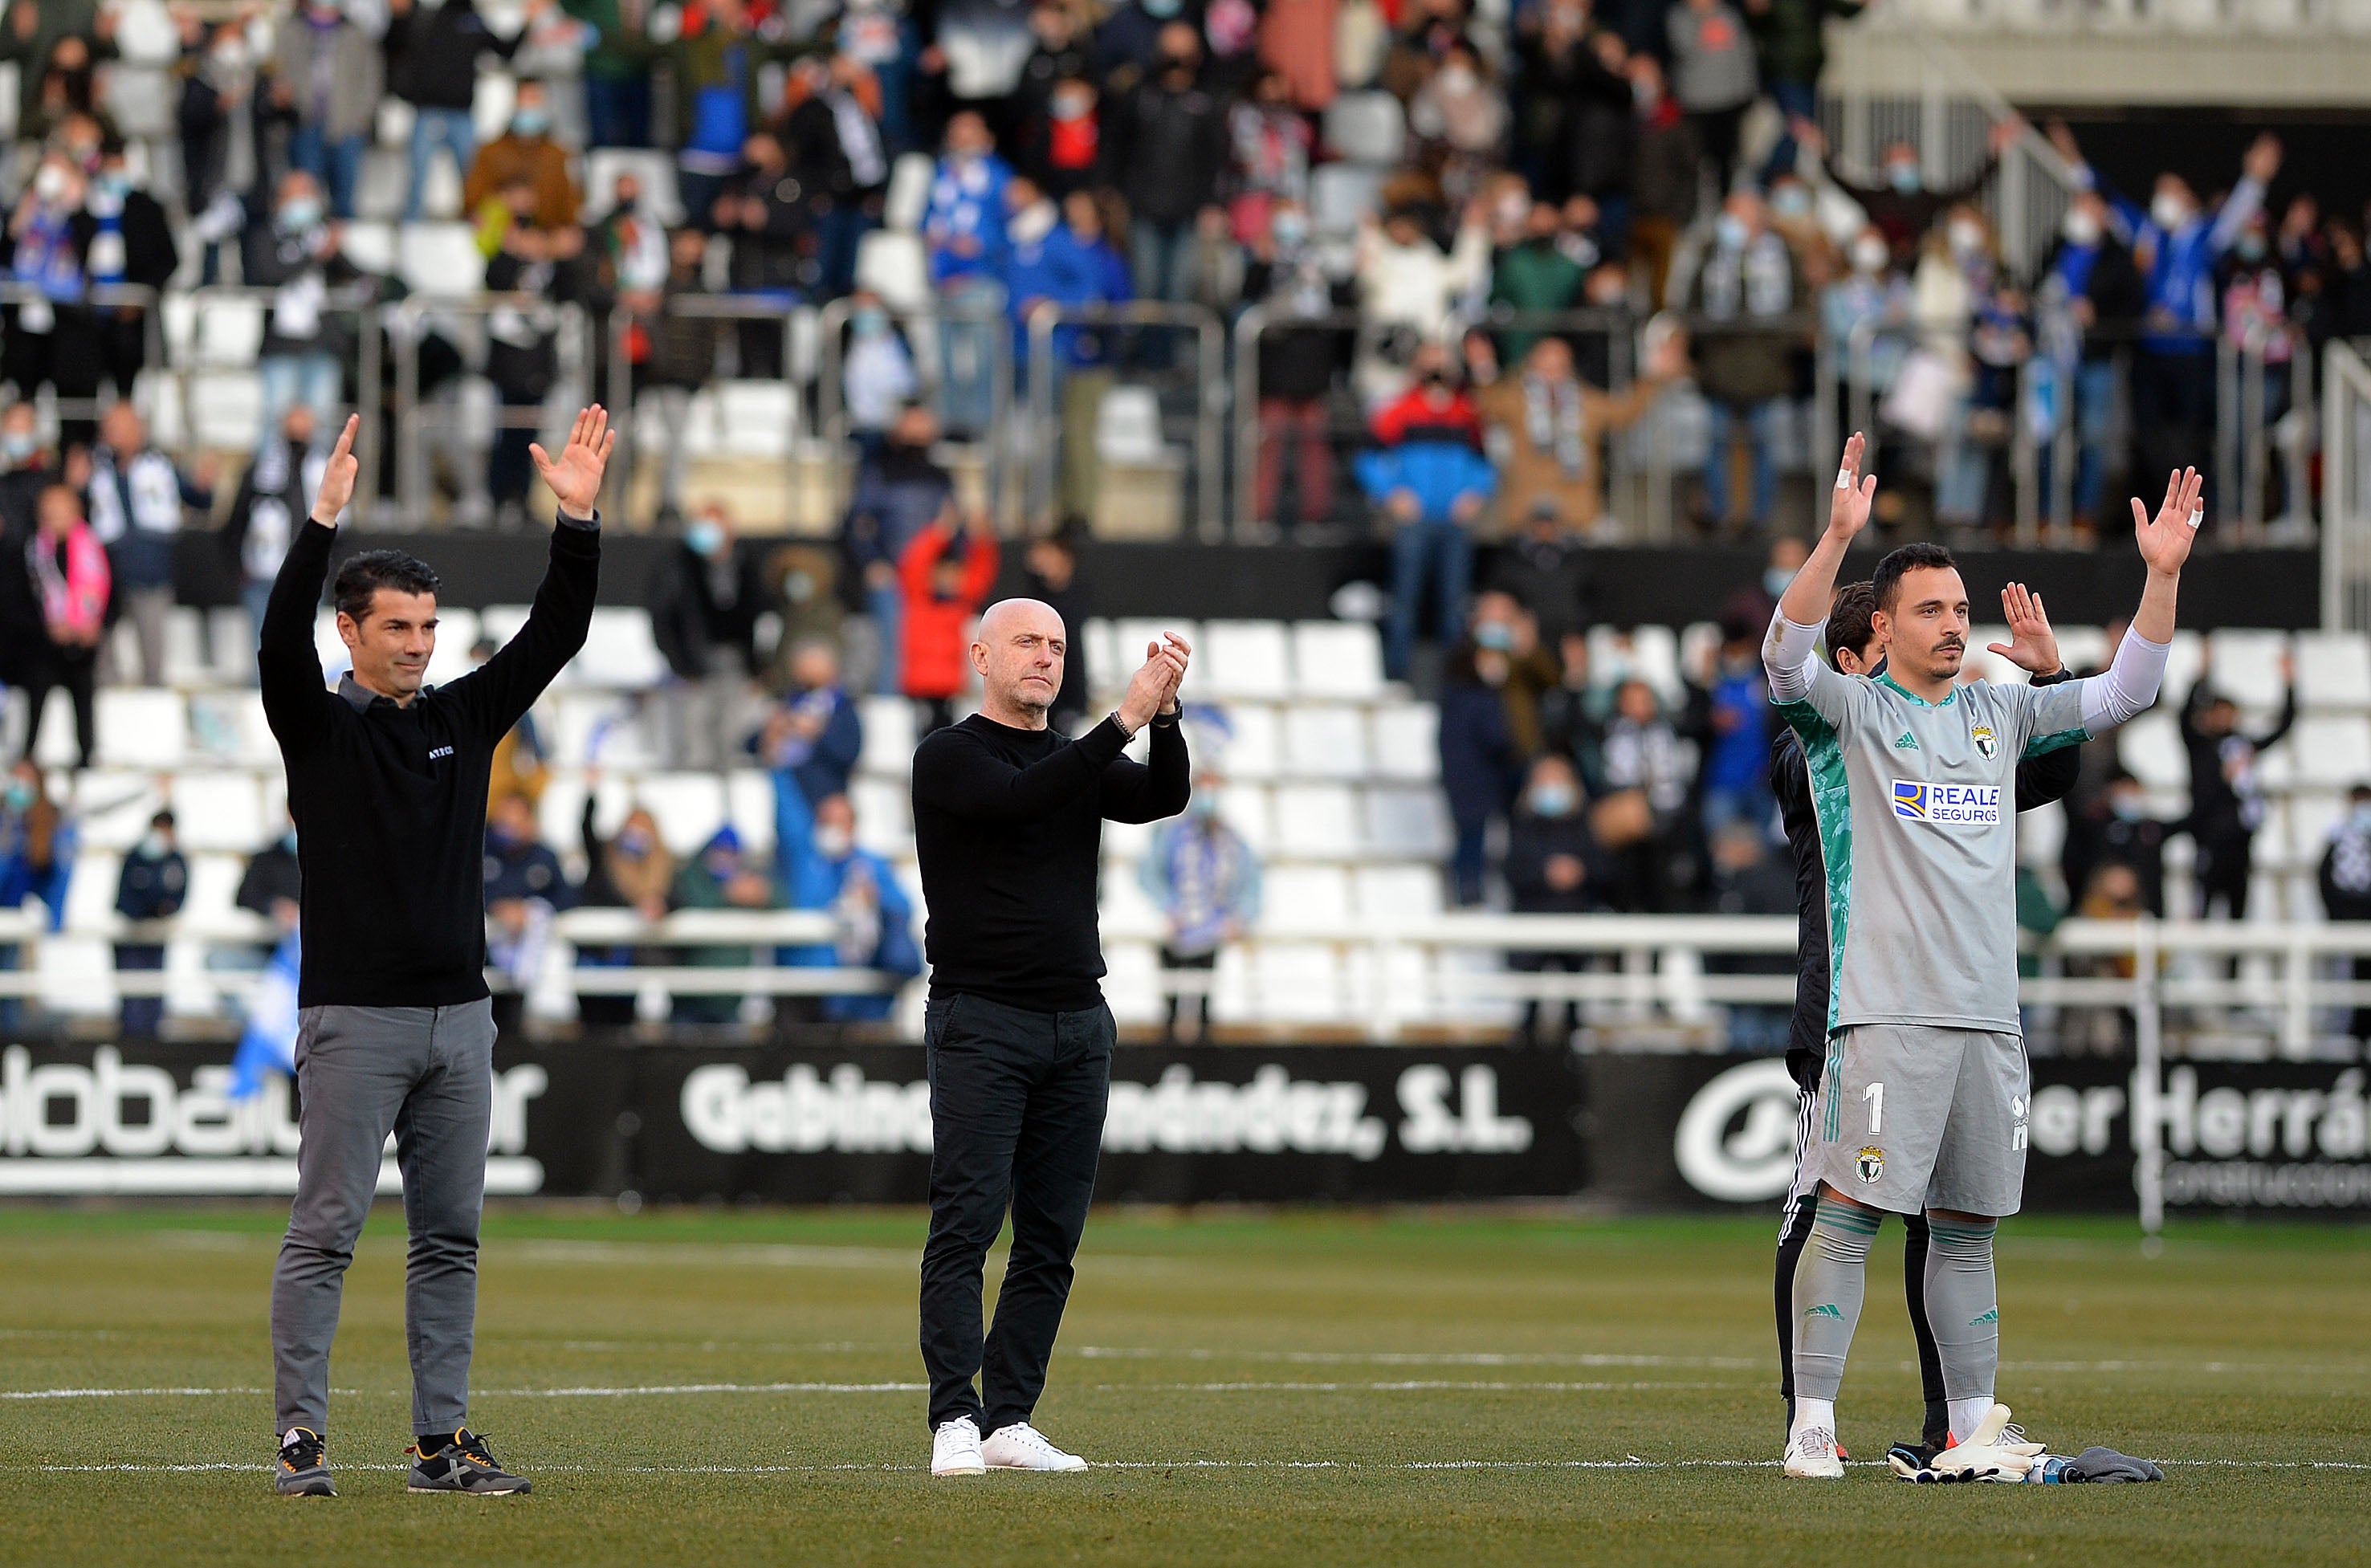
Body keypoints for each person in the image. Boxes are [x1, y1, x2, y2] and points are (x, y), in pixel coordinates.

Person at [1763, 432, 2196, 1481]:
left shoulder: (2002, 713)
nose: (1954, 624)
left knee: (1965, 1234)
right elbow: (1782, 657)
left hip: (1987, 1021)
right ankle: (1810, 1425)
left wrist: (2160, 577)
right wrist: (1833, 539)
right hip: (1881, 1015)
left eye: (1960, 610)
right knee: (1849, 1215)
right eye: (1931, 610)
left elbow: (2125, 692)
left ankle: (1967, 1429)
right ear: (1883, 625)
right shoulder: (1850, 718)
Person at [259, 405, 610, 1499]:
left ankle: (439, 1445)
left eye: (427, 625)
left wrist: (581, 524)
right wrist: (320, 521)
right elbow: (273, 640)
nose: (417, 642)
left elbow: (556, 633)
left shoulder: (464, 714)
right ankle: (301, 1440)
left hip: (461, 1018)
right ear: (350, 635)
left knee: (449, 1239)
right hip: (354, 1019)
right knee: (326, 1232)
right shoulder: (319, 727)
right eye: (397, 627)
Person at [1767, 571, 2080, 1473]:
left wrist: (2050, 687)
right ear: (1851, 661)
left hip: (1954, 1005)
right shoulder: (1826, 742)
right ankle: (1808, 1410)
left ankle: (1955, 1416)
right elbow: (1821, 735)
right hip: (1851, 1005)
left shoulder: (1947, 735)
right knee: (1831, 1208)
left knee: (1946, 1220)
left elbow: (2042, 774)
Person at [911, 605, 1189, 1477]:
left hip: (1078, 1020)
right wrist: (1123, 721)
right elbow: (1018, 797)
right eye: (1028, 643)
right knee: (965, 1225)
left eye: (1059, 646)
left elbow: (1161, 796)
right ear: (981, 655)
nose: (1045, 657)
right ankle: (954, 1416)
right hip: (981, 1018)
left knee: (1050, 1238)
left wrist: (1167, 720)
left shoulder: (1075, 755)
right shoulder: (949, 754)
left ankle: (1009, 1420)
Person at [1358, 345, 1497, 682]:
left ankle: (1453, 682)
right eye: (1429, 362)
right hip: (1415, 523)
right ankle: (1397, 677)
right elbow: (1367, 457)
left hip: (1453, 521)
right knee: (1405, 600)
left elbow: (1486, 461)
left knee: (1454, 605)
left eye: (1442, 362)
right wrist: (1392, 494)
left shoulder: (1468, 412)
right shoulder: (1401, 409)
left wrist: (1476, 493)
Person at [86, 401, 214, 688]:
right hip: (105, 570)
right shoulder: (94, 467)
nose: (115, 434)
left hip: (152, 566)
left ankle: (153, 695)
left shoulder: (161, 464)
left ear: (139, 429)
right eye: (110, 428)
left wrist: (204, 486)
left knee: (152, 642)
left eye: (122, 427)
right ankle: (106, 690)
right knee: (103, 643)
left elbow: (196, 499)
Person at [777, 788, 922, 1023]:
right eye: (825, 822)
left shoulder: (872, 865)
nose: (830, 829)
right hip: (810, 989)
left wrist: (875, 898)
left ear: (852, 826)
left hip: (862, 997)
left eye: (837, 822)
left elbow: (901, 907)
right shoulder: (808, 866)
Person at [1140, 768, 1262, 1041]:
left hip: (1213, 933)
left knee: (1206, 1005)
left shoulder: (1232, 839)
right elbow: (1149, 873)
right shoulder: (1171, 833)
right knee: (1170, 1007)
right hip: (1175, 930)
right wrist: (1168, 907)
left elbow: (1252, 884)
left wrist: (1240, 916)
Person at [386, 0, 532, 222]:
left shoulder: (472, 18)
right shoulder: (422, 15)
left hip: (461, 114)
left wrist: (528, 20)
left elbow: (505, 51)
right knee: (417, 181)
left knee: (473, 181)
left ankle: (476, 229)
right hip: (428, 111)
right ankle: (410, 230)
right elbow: (394, 46)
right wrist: (398, 17)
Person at [844, 405, 956, 695]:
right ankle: (888, 714)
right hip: (892, 574)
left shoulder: (939, 477)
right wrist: (872, 562)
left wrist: (949, 563)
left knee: (931, 650)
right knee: (891, 647)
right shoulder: (877, 471)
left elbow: (953, 524)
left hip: (928, 579)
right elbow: (857, 522)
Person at [2177, 658, 2296, 924]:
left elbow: (2283, 726)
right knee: (2201, 911)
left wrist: (2289, 684)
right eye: (2219, 712)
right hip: (2208, 840)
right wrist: (2200, 678)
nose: (2225, 718)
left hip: (2240, 843)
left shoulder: (2244, 747)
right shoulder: (2200, 746)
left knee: (2238, 915)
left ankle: (2233, 967)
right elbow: (2183, 718)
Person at [652, 505, 766, 770]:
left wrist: (757, 665)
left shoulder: (744, 563)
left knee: (732, 736)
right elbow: (663, 618)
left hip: (736, 662)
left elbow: (756, 614)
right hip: (694, 664)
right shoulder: (678, 564)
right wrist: (680, 664)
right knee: (695, 736)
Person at [1504, 752, 1608, 1043]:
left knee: (1574, 1007)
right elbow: (1511, 871)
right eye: (1545, 778)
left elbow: (1605, 870)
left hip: (1574, 922)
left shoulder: (1585, 826)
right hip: (1532, 924)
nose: (1551, 786)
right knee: (1529, 1007)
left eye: (1557, 778)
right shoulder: (1521, 824)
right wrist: (1544, 873)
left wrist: (1581, 872)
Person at [222, 405, 326, 652]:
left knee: (302, 648)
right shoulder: (261, 468)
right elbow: (236, 520)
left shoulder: (324, 468)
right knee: (263, 647)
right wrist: (239, 566)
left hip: (308, 571)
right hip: (263, 571)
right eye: (292, 430)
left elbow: (342, 526)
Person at [22, 483, 108, 769]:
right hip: (44, 644)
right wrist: (48, 626)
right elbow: (22, 599)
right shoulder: (33, 552)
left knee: (83, 700)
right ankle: (28, 754)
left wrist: (95, 625)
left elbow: (111, 593)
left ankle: (86, 756)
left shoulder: (94, 548)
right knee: (36, 700)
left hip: (83, 643)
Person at [273, 0, 382, 219]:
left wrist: (360, 118)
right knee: (304, 198)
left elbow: (371, 78)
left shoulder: (355, 32)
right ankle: (306, 249)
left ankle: (340, 249)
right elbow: (277, 70)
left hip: (346, 126)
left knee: (344, 199)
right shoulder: (291, 29)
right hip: (304, 124)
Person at [668, 825, 784, 1025]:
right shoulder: (691, 877)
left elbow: (782, 901)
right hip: (688, 999)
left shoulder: (748, 876)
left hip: (732, 1001)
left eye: (731, 852)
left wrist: (764, 894)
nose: (725, 857)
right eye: (721, 851)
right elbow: (683, 900)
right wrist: (727, 894)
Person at [898, 507, 1001, 732]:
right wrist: (940, 533)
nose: (950, 579)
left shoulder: (961, 601)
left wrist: (982, 539)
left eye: (955, 573)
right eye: (944, 572)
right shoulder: (919, 597)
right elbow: (915, 560)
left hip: (949, 685)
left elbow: (982, 571)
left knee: (945, 733)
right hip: (921, 683)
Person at [483, 791, 574, 1035]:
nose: (508, 828)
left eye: (515, 821)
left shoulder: (545, 857)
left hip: (531, 967)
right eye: (504, 821)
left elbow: (567, 897)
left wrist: (531, 909)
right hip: (484, 967)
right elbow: (462, 891)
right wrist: (497, 906)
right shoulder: (481, 852)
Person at [462, 78, 581, 232]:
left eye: (535, 100)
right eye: (524, 100)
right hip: (501, 240)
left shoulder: (559, 155)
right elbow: (472, 203)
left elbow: (572, 206)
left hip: (548, 241)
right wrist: (504, 201)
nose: (529, 107)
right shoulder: (490, 151)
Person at [113, 808, 186, 1037]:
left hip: (157, 939)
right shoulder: (135, 857)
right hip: (131, 936)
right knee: (132, 997)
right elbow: (124, 898)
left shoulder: (176, 861)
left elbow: (177, 897)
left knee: (153, 996)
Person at [2318, 784, 2371, 1043]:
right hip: (2344, 918)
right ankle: (2342, 1037)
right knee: (2343, 979)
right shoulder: (2337, 836)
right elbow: (2324, 877)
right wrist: (2336, 914)